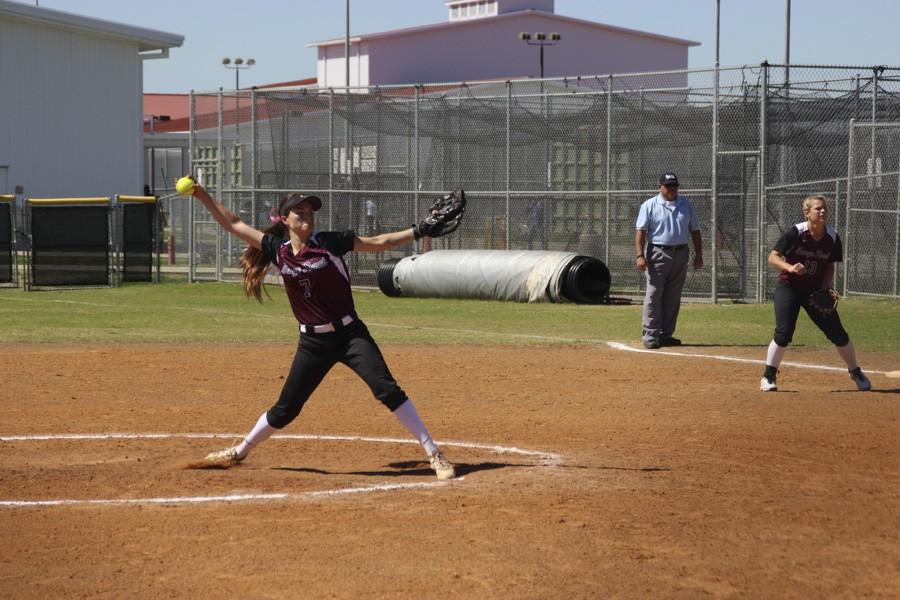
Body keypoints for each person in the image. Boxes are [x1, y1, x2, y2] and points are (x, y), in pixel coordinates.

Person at [190, 182, 457, 479]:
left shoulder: (328, 242)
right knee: (286, 409)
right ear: (284, 219)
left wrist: (419, 230)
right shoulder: (276, 250)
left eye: (310, 210)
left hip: (350, 335)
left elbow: (380, 242)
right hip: (313, 343)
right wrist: (203, 196)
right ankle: (238, 452)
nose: (307, 215)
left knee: (387, 390)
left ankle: (434, 453)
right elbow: (234, 223)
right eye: (299, 210)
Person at [759, 195, 871, 392]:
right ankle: (768, 376)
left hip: (814, 292)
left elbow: (829, 266)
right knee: (784, 332)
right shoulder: (796, 232)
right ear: (807, 213)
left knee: (837, 333)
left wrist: (825, 288)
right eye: (818, 208)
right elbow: (772, 257)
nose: (823, 211)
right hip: (789, 287)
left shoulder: (833, 237)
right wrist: (790, 267)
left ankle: (855, 371)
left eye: (824, 208)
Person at [635, 172, 703, 349]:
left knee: (673, 297)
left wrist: (699, 255)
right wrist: (640, 256)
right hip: (657, 253)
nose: (672, 189)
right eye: (668, 186)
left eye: (674, 186)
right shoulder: (649, 205)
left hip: (680, 253)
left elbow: (695, 230)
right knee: (654, 294)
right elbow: (640, 232)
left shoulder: (686, 204)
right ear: (660, 187)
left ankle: (666, 334)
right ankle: (650, 335)